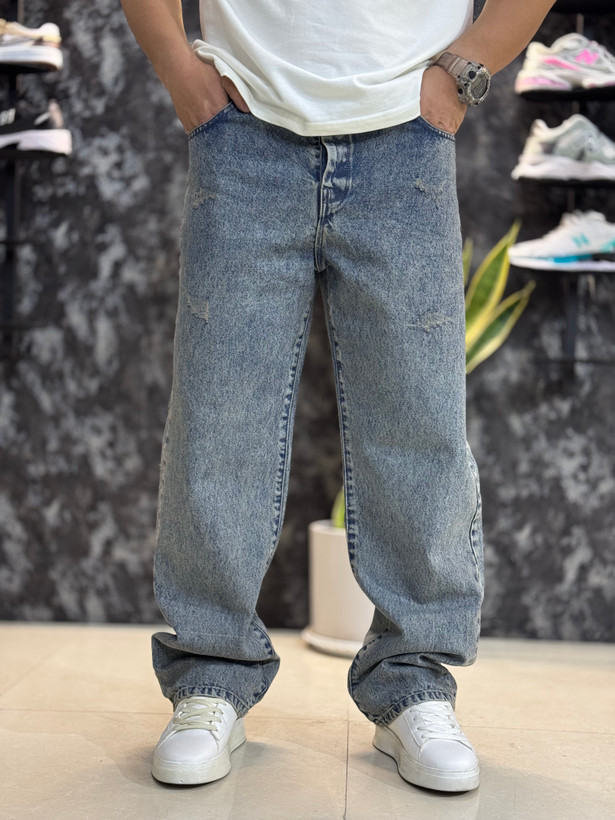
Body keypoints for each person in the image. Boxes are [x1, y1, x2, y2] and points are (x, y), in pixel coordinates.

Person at [121, 0, 556, 793]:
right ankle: (209, 677)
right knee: (219, 420)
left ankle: (414, 684)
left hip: (405, 131)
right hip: (243, 125)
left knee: (417, 422)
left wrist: (461, 73)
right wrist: (177, 67)